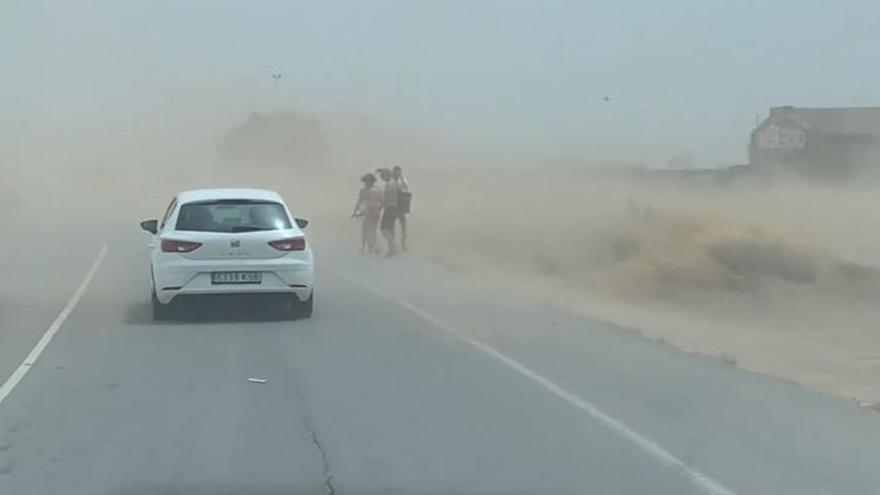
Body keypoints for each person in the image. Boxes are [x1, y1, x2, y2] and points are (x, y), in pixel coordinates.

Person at [352, 173, 382, 254]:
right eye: (366, 181)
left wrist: (355, 212)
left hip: (371, 212)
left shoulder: (375, 190)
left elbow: (381, 201)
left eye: (368, 181)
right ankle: (368, 246)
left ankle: (372, 247)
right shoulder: (375, 190)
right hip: (369, 212)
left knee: (370, 230)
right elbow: (359, 202)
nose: (366, 182)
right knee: (368, 230)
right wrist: (355, 212)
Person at [378, 168, 400, 257]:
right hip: (396, 208)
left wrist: (380, 207)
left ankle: (393, 248)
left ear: (387, 174)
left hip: (389, 208)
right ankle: (392, 250)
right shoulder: (395, 183)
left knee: (384, 230)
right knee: (390, 229)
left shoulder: (389, 184)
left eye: (382, 176)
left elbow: (386, 198)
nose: (382, 178)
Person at [392, 166, 411, 251]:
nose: (397, 174)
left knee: (403, 226)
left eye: (398, 172)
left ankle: (403, 244)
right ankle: (393, 244)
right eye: (395, 172)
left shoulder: (403, 181)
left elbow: (406, 190)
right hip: (392, 205)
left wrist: (402, 180)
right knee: (391, 226)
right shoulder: (391, 181)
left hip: (400, 206)